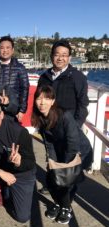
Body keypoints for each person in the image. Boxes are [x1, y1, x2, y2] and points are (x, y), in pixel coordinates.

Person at [31, 85, 92, 224]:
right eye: (39, 98)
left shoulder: (64, 116)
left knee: (67, 180)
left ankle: (66, 208)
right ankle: (59, 203)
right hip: (60, 149)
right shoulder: (41, 118)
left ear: (53, 101)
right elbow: (49, 143)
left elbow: (73, 142)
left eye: (47, 98)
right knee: (52, 178)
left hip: (80, 150)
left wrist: (64, 165)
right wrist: (52, 161)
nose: (42, 102)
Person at [37, 39, 89, 194]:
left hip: (68, 129)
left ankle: (66, 199)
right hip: (49, 128)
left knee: (68, 162)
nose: (60, 58)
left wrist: (75, 125)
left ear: (69, 58)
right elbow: (38, 101)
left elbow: (83, 104)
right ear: (52, 56)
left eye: (64, 55)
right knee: (51, 159)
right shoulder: (44, 77)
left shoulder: (77, 77)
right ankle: (51, 184)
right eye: (57, 54)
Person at [0, 36, 29, 122]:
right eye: (2, 48)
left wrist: (22, 110)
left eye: (8, 47)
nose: (5, 50)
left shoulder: (20, 68)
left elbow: (25, 89)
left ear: (12, 50)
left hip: (13, 109)